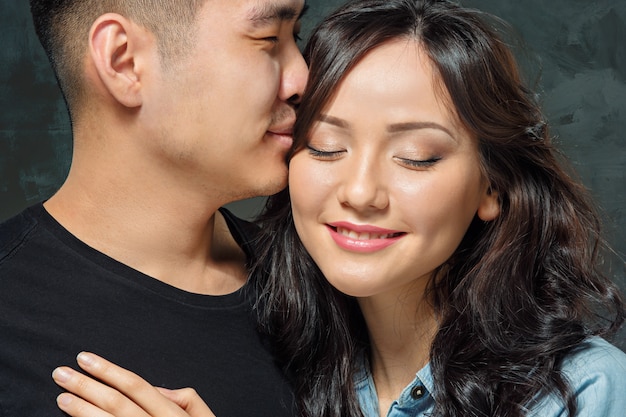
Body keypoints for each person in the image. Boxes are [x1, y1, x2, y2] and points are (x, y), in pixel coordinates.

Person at [50, 0, 626, 416]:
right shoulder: (280, 358)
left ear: (492, 187)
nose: (360, 192)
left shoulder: (584, 390)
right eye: (325, 147)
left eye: (417, 157)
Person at [0, 0, 308, 416]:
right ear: (124, 61)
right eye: (268, 39)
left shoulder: (325, 287)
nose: (302, 79)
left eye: (297, 37)